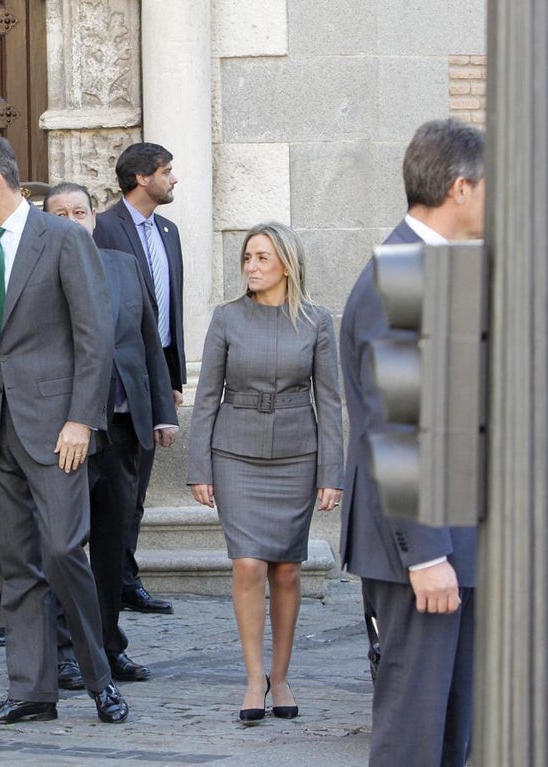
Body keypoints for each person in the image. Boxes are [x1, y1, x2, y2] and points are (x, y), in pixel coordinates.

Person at [0, 136, 126, 725]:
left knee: (62, 551)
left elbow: (94, 337)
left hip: (57, 432)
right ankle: (31, 691)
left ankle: (99, 677)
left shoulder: (65, 239)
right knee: (17, 565)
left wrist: (82, 419)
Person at [340, 118, 483, 766]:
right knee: (414, 734)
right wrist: (426, 554)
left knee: (452, 732)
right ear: (461, 187)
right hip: (422, 549)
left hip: (458, 540)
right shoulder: (400, 274)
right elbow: (396, 426)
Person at [187, 221, 343, 722]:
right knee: (249, 564)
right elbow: (206, 397)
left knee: (288, 568)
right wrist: (199, 466)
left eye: (261, 258)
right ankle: (255, 678)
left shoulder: (317, 321)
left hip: (298, 457)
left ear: (287, 265)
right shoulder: (227, 317)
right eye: (247, 258)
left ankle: (282, 676)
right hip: (235, 455)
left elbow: (330, 402)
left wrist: (332, 472)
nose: (251, 267)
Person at [45, 182, 178, 685]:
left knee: (112, 543)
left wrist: (162, 411)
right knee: (62, 547)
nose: (72, 221)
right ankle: (64, 649)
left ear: (94, 218)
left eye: (80, 211)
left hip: (122, 428)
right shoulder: (37, 273)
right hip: (64, 434)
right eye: (60, 213)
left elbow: (148, 342)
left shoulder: (124, 265)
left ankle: (106, 645)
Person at [93, 142, 186, 615]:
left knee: (138, 489)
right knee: (117, 489)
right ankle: (111, 582)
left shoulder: (169, 231)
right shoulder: (103, 227)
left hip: (156, 371)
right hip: (117, 380)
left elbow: (170, 310)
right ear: (142, 178)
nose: (174, 179)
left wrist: (174, 377)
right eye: (167, 171)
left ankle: (126, 579)